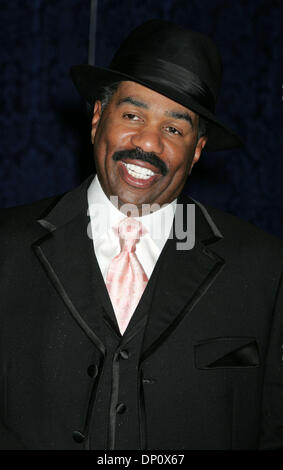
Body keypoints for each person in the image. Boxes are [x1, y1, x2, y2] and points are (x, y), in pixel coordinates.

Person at [0, 19, 282, 450]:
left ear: (197, 151)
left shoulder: (265, 267)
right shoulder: (6, 248)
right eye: (132, 115)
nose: (148, 143)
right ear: (97, 119)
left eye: (174, 128)